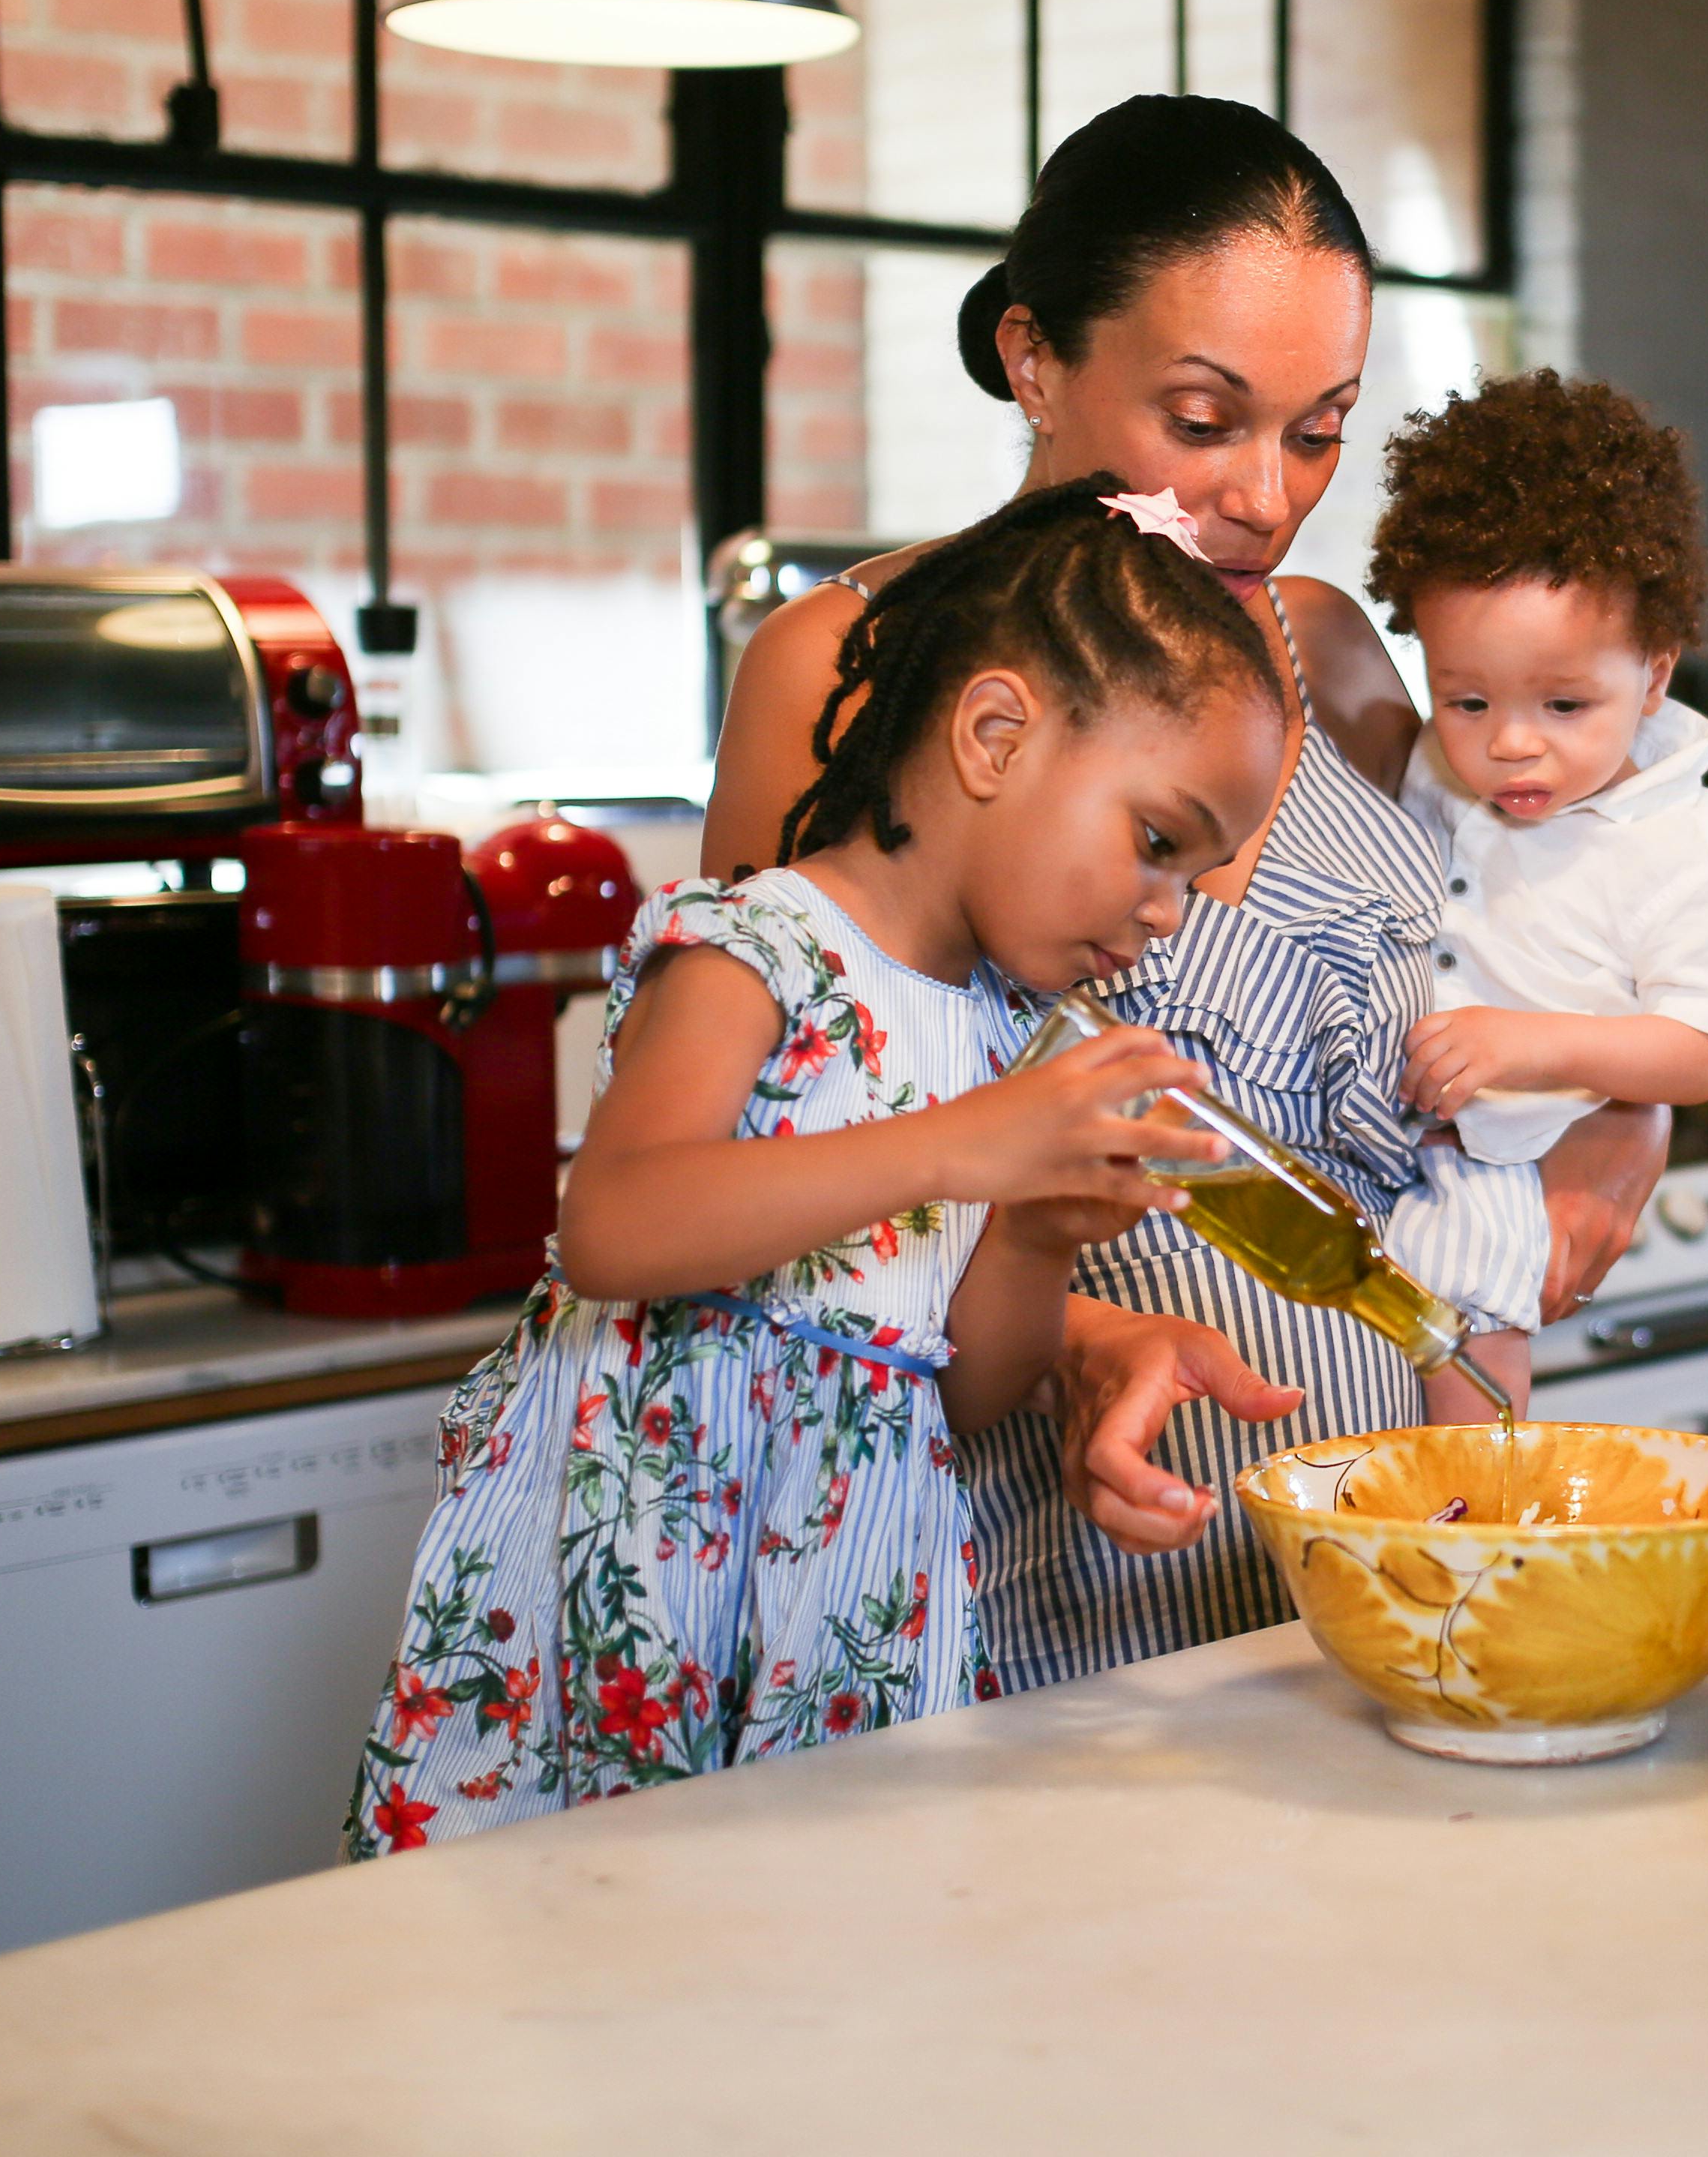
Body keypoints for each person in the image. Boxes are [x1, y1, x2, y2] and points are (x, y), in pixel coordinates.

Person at [700, 95, 1672, 1692]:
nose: (1269, 498)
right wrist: (1080, 1343)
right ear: (1034, 357)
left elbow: (1583, 905)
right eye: (1205, 419)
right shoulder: (849, 672)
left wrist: (1631, 1114)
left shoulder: (1331, 649)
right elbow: (759, 1182)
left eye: (1317, 430)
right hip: (1044, 1543)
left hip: (1384, 1528)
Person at [346, 480, 1287, 1853]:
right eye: (1155, 842)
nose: (1162, 912)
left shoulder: (1005, 1038)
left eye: (1191, 880)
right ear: (996, 734)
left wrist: (1033, 1232)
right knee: (582, 1958)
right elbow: (613, 1223)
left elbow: (962, 1392)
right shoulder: (757, 943)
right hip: (642, 1568)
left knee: (823, 1971)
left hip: (847, 1584)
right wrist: (970, 1144)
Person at [1363, 372, 1708, 1414]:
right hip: (1376, 1144)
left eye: (1566, 703)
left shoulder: (1675, 838)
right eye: (1467, 698)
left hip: (1507, 1166)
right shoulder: (1435, 766)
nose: (1510, 742)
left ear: (1657, 674)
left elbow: (1706, 1047)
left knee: (1467, 1423)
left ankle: (1471, 1560)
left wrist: (1529, 1044)